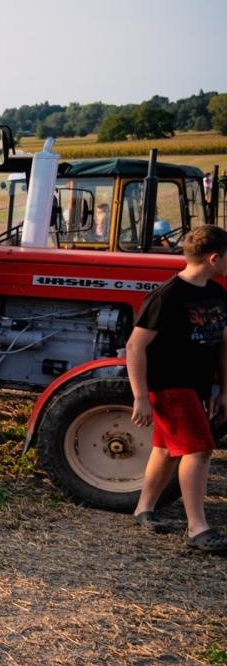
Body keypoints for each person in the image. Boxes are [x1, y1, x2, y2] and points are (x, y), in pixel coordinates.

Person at [128, 224, 227, 552]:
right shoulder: (167, 295)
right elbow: (135, 346)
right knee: (199, 450)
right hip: (169, 385)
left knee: (167, 449)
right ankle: (198, 528)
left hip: (196, 385)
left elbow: (223, 343)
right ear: (214, 258)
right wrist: (141, 396)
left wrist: (224, 390)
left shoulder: (216, 293)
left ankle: (144, 508)